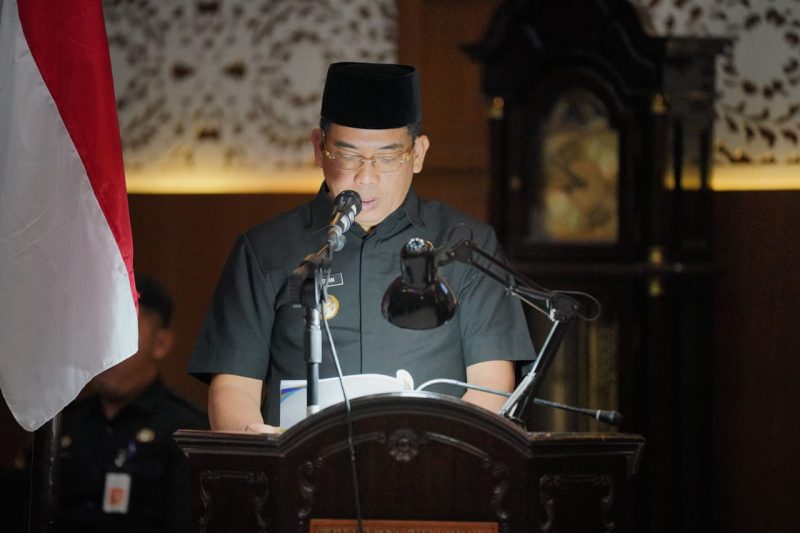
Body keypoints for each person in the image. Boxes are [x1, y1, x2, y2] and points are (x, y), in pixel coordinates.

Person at [189, 62, 535, 434]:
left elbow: (492, 383)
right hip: (299, 464)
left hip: (431, 461)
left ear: (418, 154)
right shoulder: (265, 248)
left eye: (387, 158)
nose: (365, 177)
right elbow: (234, 385)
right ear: (319, 149)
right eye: (348, 155)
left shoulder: (465, 245)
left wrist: (438, 453)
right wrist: (263, 447)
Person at [56, 274, 208, 532]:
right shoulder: (65, 422)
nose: (106, 351)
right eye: (98, 335)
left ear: (160, 344)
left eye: (118, 336)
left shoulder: (187, 431)